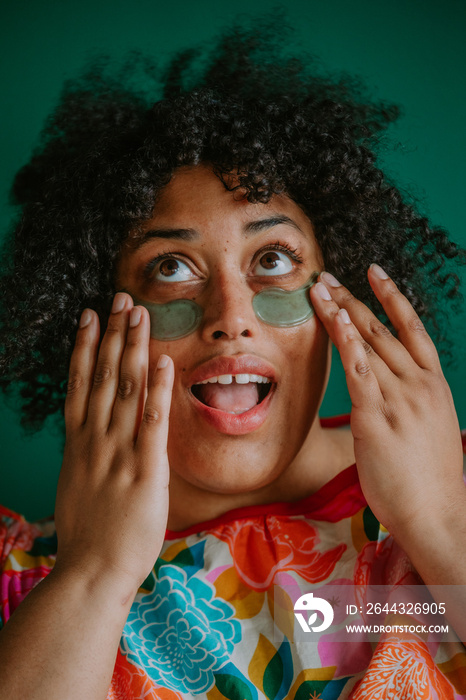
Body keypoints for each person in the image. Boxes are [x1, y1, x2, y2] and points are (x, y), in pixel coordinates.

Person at [0, 24, 465, 700]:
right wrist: (92, 574)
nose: (232, 315)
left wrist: (440, 522)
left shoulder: (453, 492)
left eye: (272, 260)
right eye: (171, 267)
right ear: (96, 318)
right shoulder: (21, 578)